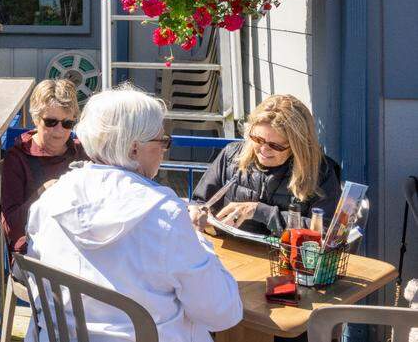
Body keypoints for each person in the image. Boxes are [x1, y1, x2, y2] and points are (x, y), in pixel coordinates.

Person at [24, 85, 242, 342]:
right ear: (134, 149)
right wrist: (199, 239)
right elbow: (222, 313)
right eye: (162, 141)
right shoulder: (165, 215)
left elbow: (36, 281)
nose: (164, 149)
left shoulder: (50, 200)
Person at [190, 94, 341, 235]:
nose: (263, 150)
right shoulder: (232, 155)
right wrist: (198, 212)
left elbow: (324, 231)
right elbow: (200, 201)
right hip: (230, 249)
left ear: (297, 147)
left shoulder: (320, 172)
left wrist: (260, 212)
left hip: (284, 253)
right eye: (258, 139)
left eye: (275, 145)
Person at [0, 78, 89, 254]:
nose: (59, 131)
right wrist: (42, 192)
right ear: (35, 118)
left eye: (67, 124)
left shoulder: (82, 152)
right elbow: (11, 228)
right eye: (51, 122)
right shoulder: (18, 159)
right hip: (36, 252)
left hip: (78, 247)